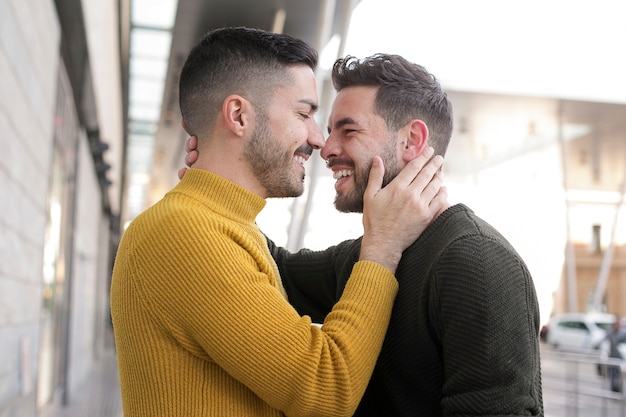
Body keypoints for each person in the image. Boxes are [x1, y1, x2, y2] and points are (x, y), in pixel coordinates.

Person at [111, 27, 447, 417]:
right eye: (303, 113)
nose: (318, 139)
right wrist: (382, 248)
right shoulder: (183, 233)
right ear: (238, 116)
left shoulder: (215, 225)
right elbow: (326, 389)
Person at [183, 53, 544, 416]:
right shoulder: (372, 252)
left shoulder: (478, 262)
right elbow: (274, 269)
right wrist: (220, 174)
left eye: (349, 130)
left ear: (411, 140)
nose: (326, 147)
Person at [599, 319, 626, 392]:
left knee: (620, 375)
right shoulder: (610, 332)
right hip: (612, 358)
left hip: (620, 358)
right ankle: (614, 389)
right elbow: (603, 341)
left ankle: (619, 388)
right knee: (613, 375)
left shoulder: (623, 333)